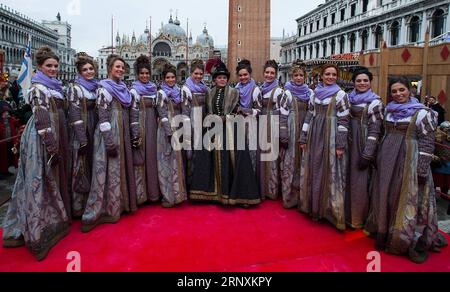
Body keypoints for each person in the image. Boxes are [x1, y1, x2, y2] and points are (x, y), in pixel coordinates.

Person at [365, 77, 448, 264]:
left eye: (401, 90)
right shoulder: (388, 110)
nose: (398, 94)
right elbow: (381, 135)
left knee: (406, 198)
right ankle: (385, 231)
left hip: (409, 160)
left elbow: (427, 143)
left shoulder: (422, 113)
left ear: (409, 91)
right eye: (394, 91)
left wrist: (421, 169)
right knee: (387, 195)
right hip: (387, 160)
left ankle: (403, 237)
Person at [2, 47, 71, 261]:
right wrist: (51, 146)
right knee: (38, 177)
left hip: (57, 132)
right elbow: (42, 120)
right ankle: (37, 229)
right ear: (40, 67)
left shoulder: (56, 86)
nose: (53, 69)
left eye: (55, 66)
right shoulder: (38, 88)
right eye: (48, 66)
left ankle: (54, 218)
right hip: (42, 137)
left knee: (52, 175)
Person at [190, 61, 260, 206]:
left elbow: (236, 111)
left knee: (233, 161)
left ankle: (238, 195)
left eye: (224, 77)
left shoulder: (234, 92)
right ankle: (211, 194)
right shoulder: (209, 92)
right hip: (212, 129)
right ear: (214, 79)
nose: (222, 79)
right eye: (219, 77)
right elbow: (208, 110)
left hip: (230, 129)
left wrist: (224, 118)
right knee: (209, 160)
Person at [82, 54, 137, 232]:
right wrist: (109, 140)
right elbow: (103, 115)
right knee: (109, 169)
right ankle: (107, 208)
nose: (120, 70)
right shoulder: (103, 88)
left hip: (123, 131)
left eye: (122, 67)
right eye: (117, 67)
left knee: (121, 167)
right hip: (110, 132)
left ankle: (122, 203)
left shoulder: (124, 88)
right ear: (109, 68)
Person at [299, 64, 350, 231]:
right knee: (315, 168)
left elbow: (343, 121)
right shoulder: (314, 94)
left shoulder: (341, 95)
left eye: (333, 74)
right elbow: (309, 114)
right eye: (327, 74)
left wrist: (340, 144)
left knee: (330, 170)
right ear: (321, 76)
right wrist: (304, 136)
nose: (330, 77)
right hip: (315, 135)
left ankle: (329, 211)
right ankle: (314, 207)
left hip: (331, 136)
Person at [346, 68, 384, 229]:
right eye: (358, 81)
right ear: (354, 82)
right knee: (345, 177)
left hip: (362, 141)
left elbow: (375, 130)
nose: (362, 83)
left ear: (370, 82)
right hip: (348, 139)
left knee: (359, 180)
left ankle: (357, 217)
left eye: (365, 81)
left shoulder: (375, 102)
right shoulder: (349, 98)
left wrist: (368, 153)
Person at [68, 53, 99, 217]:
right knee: (81, 163)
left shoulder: (96, 87)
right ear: (80, 72)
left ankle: (93, 200)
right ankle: (79, 204)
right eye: (85, 70)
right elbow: (74, 114)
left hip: (95, 127)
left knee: (94, 162)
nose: (89, 72)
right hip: (83, 128)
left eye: (91, 68)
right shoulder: (75, 88)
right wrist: (81, 138)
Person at [156, 64, 190, 208]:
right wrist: (169, 133)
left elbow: (185, 111)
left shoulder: (180, 91)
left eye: (173, 77)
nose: (170, 80)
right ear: (163, 79)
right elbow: (162, 114)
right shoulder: (161, 93)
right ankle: (169, 195)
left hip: (178, 127)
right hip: (165, 130)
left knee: (178, 161)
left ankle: (179, 193)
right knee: (166, 161)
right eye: (168, 77)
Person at [281, 60, 313, 209]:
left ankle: (304, 196)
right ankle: (290, 196)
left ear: (305, 76)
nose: (299, 78)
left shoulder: (310, 93)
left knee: (305, 161)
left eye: (301, 75)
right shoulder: (286, 92)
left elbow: (312, 112)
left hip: (307, 129)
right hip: (292, 128)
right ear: (291, 76)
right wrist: (284, 134)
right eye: (296, 75)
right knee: (291, 161)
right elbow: (282, 115)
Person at [129, 55, 160, 204]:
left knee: (152, 157)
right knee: (141, 157)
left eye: (147, 73)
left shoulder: (154, 88)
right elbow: (133, 113)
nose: (145, 76)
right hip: (141, 125)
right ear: (137, 74)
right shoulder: (134, 90)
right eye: (142, 73)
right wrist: (135, 133)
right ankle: (141, 195)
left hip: (153, 125)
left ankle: (153, 193)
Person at [259, 60, 288, 201]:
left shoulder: (278, 91)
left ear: (276, 74)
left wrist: (280, 131)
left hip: (272, 124)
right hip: (261, 123)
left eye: (272, 73)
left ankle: (272, 189)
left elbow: (282, 113)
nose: (269, 75)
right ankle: (262, 187)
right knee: (262, 156)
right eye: (267, 72)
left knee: (271, 157)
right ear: (263, 73)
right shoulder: (261, 88)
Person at [182, 59, 209, 188]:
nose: (198, 76)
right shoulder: (186, 89)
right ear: (191, 73)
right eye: (196, 73)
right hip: (192, 125)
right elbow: (185, 112)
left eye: (200, 74)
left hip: (203, 124)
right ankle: (191, 185)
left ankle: (202, 183)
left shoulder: (205, 88)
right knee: (191, 155)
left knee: (202, 154)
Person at [234, 59, 262, 174]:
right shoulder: (236, 89)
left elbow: (259, 110)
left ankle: (251, 181)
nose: (243, 77)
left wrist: (246, 110)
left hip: (251, 124)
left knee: (251, 152)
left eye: (245, 74)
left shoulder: (255, 90)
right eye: (240, 75)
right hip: (239, 123)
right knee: (239, 152)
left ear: (250, 74)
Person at [0, 104, 20, 179]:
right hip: (2, 144)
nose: (7, 113)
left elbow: (18, 124)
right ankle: (2, 172)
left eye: (8, 112)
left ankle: (6, 171)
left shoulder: (11, 119)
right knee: (2, 158)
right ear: (2, 113)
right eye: (5, 112)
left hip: (11, 142)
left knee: (10, 156)